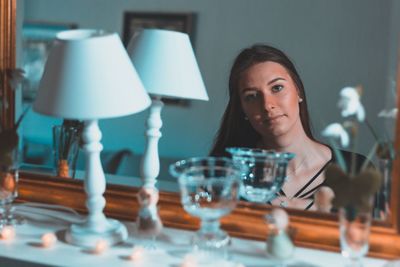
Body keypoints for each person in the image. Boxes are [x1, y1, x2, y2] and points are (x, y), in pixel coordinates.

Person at [210, 44, 365, 211]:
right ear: (242, 108)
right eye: (252, 96)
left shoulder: (358, 171)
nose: (267, 105)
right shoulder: (224, 175)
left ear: (298, 91)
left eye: (277, 88)